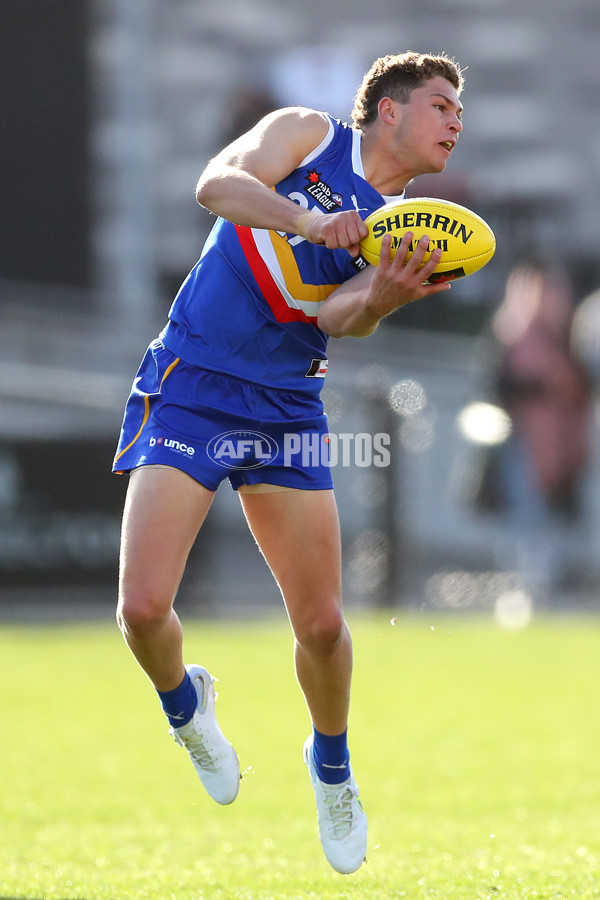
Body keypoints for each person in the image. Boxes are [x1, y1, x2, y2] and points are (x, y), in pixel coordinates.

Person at [112, 51, 464, 875]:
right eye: (443, 105)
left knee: (323, 625)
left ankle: (331, 766)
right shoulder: (308, 135)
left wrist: (378, 299)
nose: (457, 123)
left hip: (286, 409)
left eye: (461, 113)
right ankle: (184, 705)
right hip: (194, 382)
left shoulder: (409, 228)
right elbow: (216, 184)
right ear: (388, 111)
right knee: (140, 608)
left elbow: (340, 317)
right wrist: (307, 222)